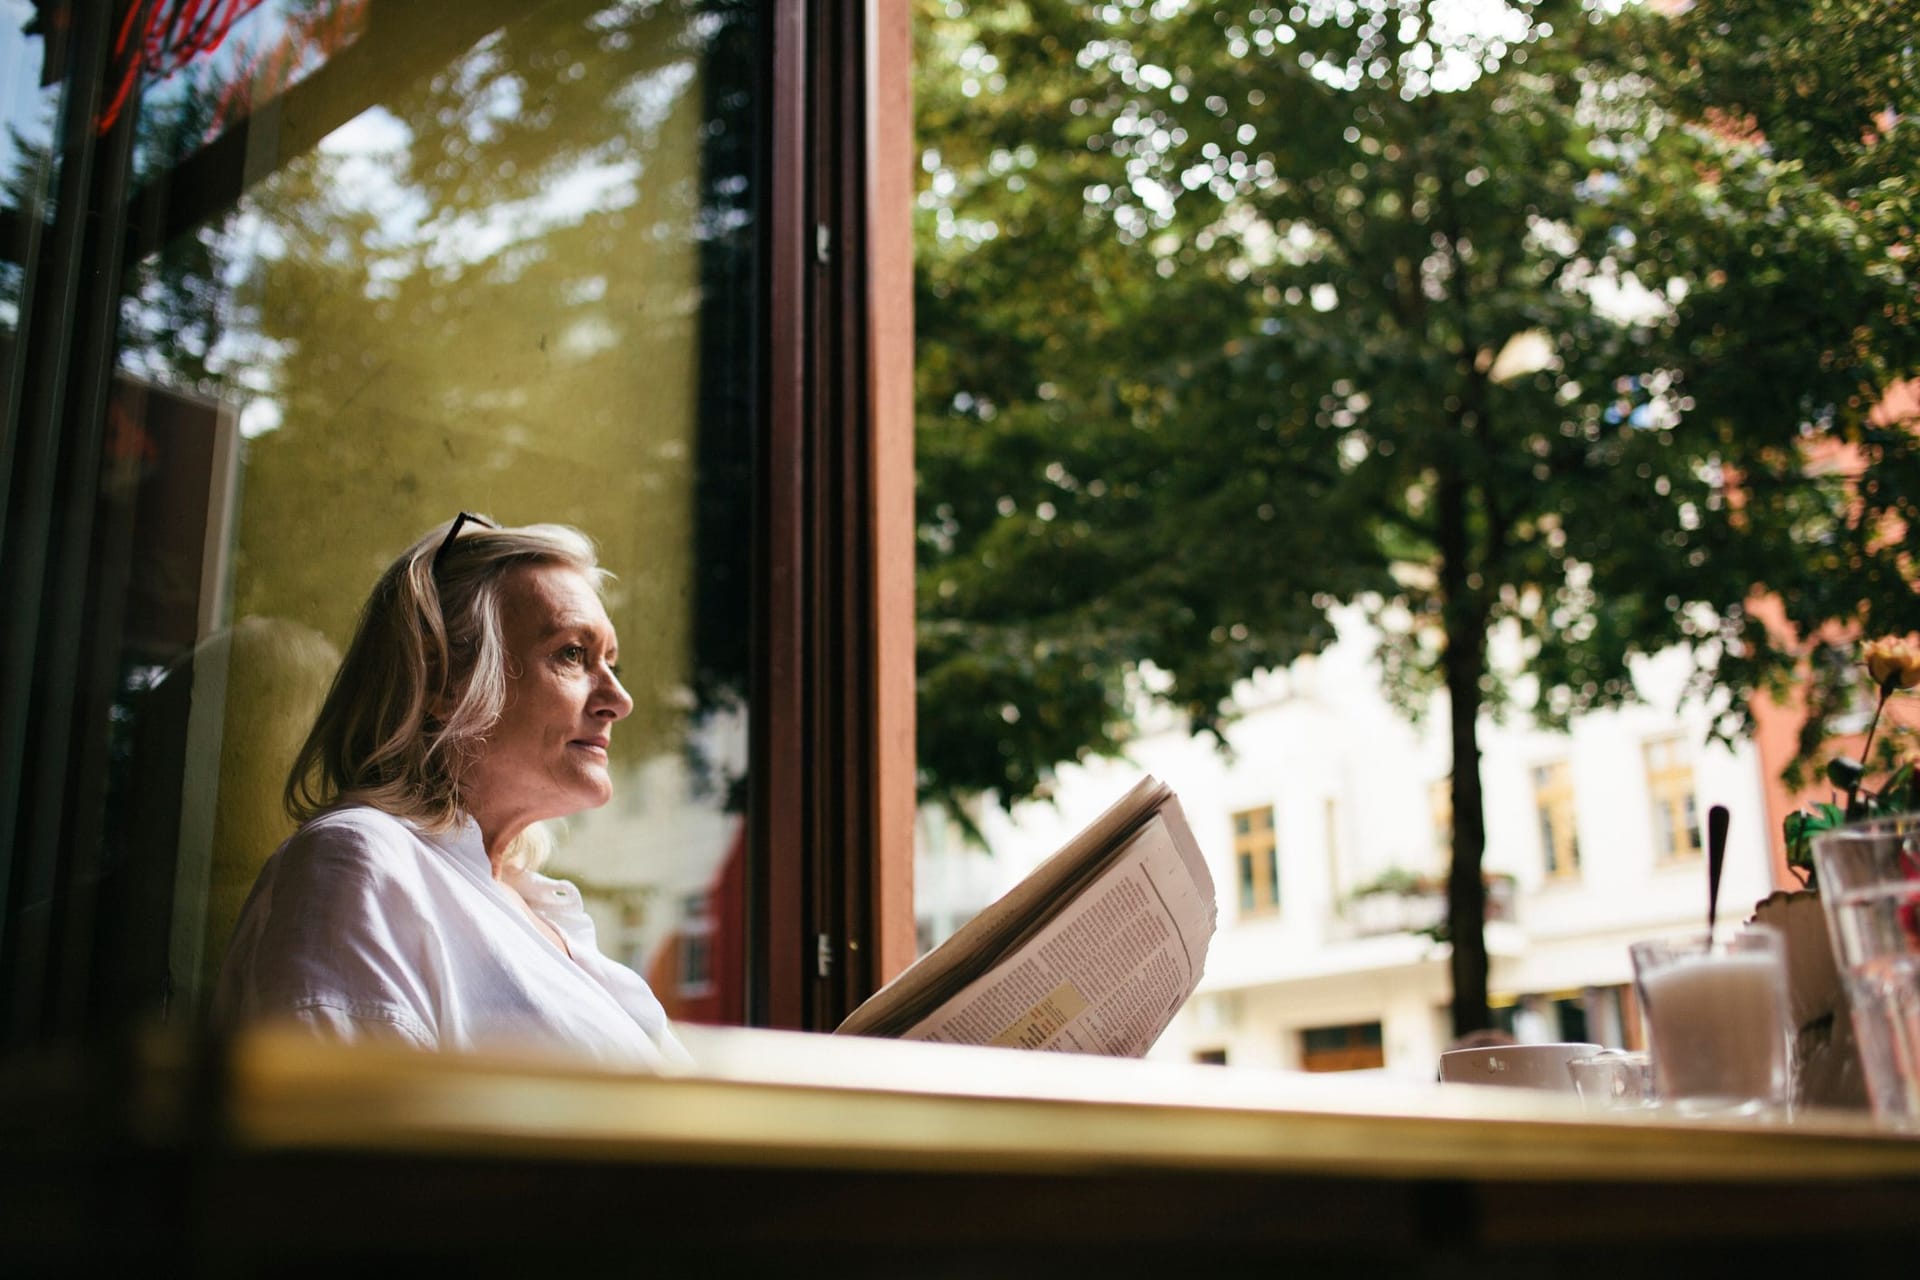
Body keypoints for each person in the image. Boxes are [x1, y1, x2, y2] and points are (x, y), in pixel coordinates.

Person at [213, 514, 689, 1068]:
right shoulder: (361, 861)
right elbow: (346, 1141)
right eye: (571, 654)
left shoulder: (538, 906)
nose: (619, 698)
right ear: (442, 681)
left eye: (611, 661)